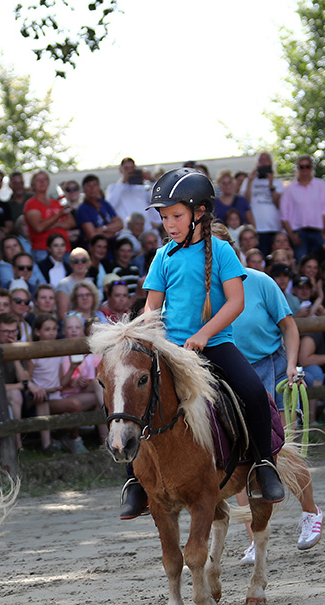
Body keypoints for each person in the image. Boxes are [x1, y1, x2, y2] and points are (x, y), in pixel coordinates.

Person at [118, 168, 286, 520]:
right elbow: (152, 304)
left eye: (176, 216)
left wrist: (205, 334)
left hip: (214, 344)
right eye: (164, 217)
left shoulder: (223, 251)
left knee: (253, 392)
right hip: (171, 349)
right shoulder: (163, 256)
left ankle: (263, 463)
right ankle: (135, 479)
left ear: (199, 213)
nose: (169, 224)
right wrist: (149, 330)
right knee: (131, 396)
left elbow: (235, 302)